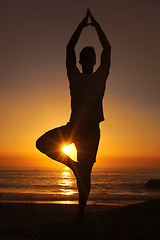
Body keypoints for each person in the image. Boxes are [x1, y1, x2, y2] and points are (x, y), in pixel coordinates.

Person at [36, 9, 111, 225]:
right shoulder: (74, 75)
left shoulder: (101, 76)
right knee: (42, 143)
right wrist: (81, 26)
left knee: (85, 177)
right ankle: (72, 165)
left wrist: (96, 25)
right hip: (74, 127)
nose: (87, 60)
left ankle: (80, 215)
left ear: (95, 61)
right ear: (80, 61)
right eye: (84, 57)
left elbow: (107, 48)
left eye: (91, 57)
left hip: (92, 131)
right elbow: (69, 48)